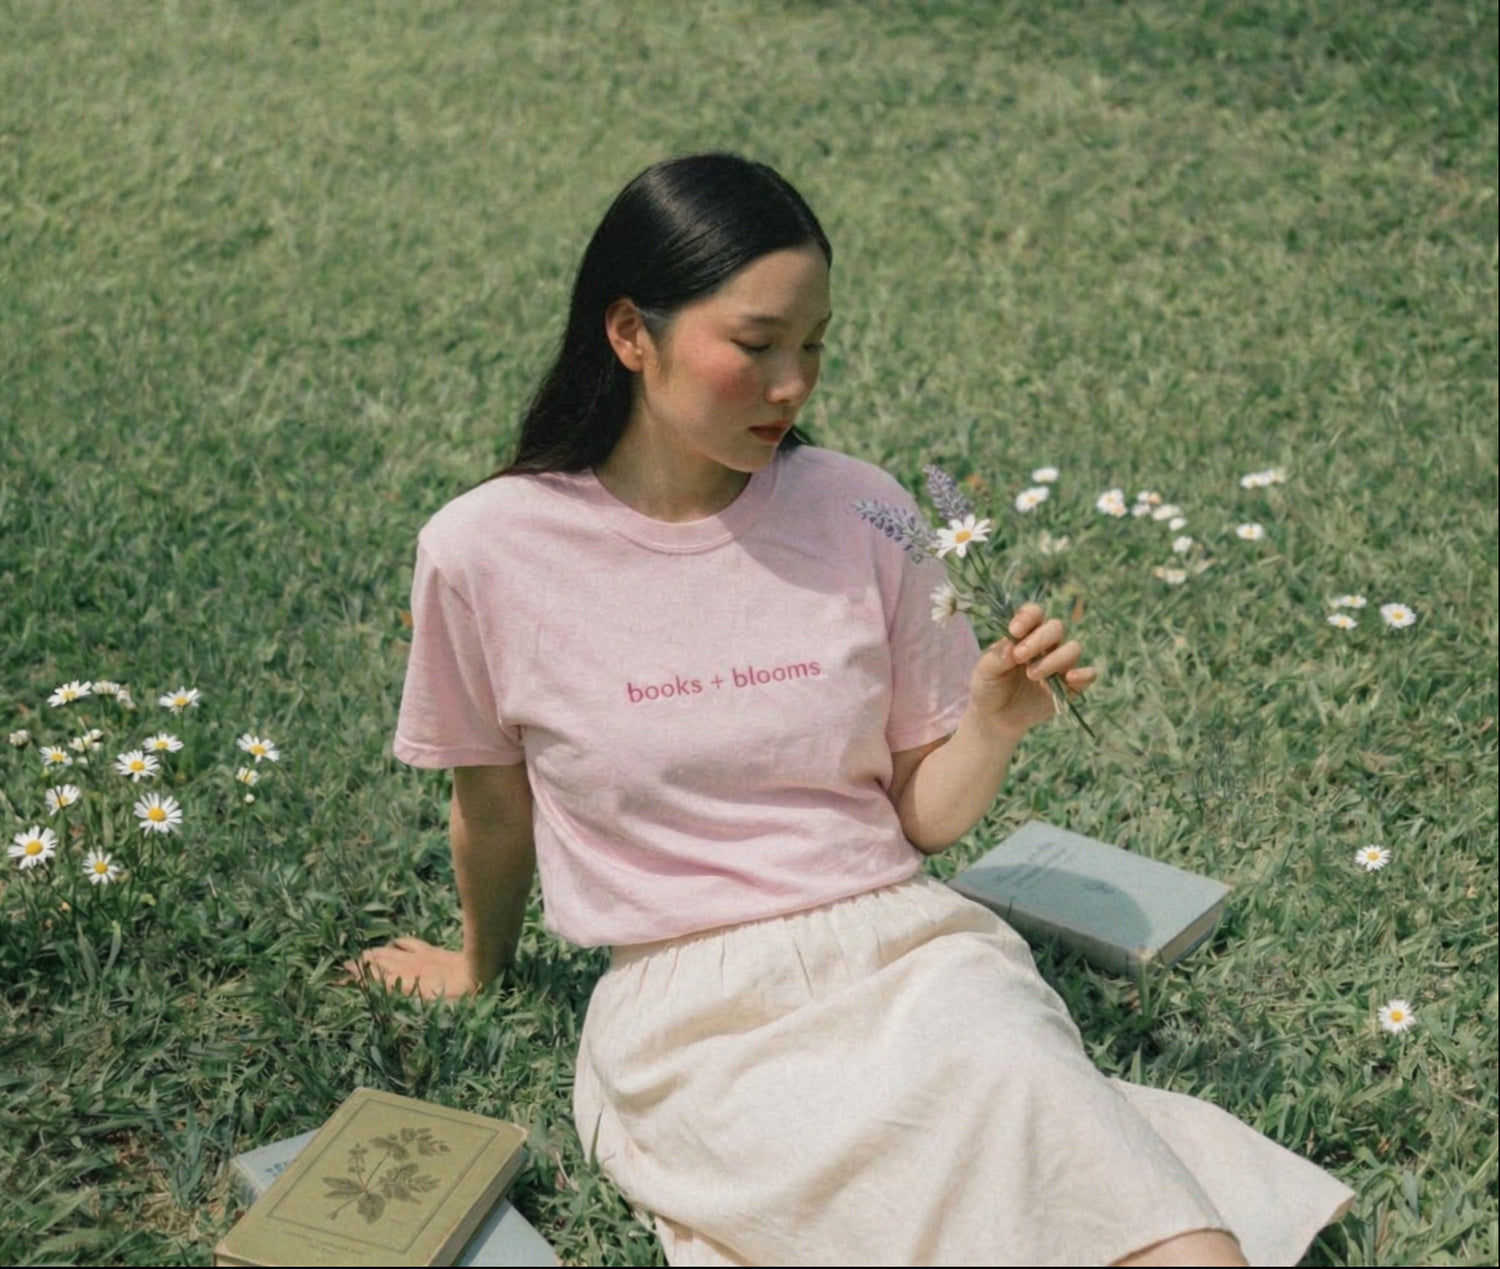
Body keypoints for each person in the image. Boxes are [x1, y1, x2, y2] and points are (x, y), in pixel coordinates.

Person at [352, 153, 1354, 1267]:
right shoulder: (487, 551)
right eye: (757, 345)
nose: (794, 385)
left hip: (913, 957)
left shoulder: (865, 511)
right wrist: (477, 960)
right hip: (693, 1023)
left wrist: (992, 722)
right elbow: (494, 809)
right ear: (631, 333)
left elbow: (920, 817)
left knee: (1124, 1197)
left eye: (815, 345)